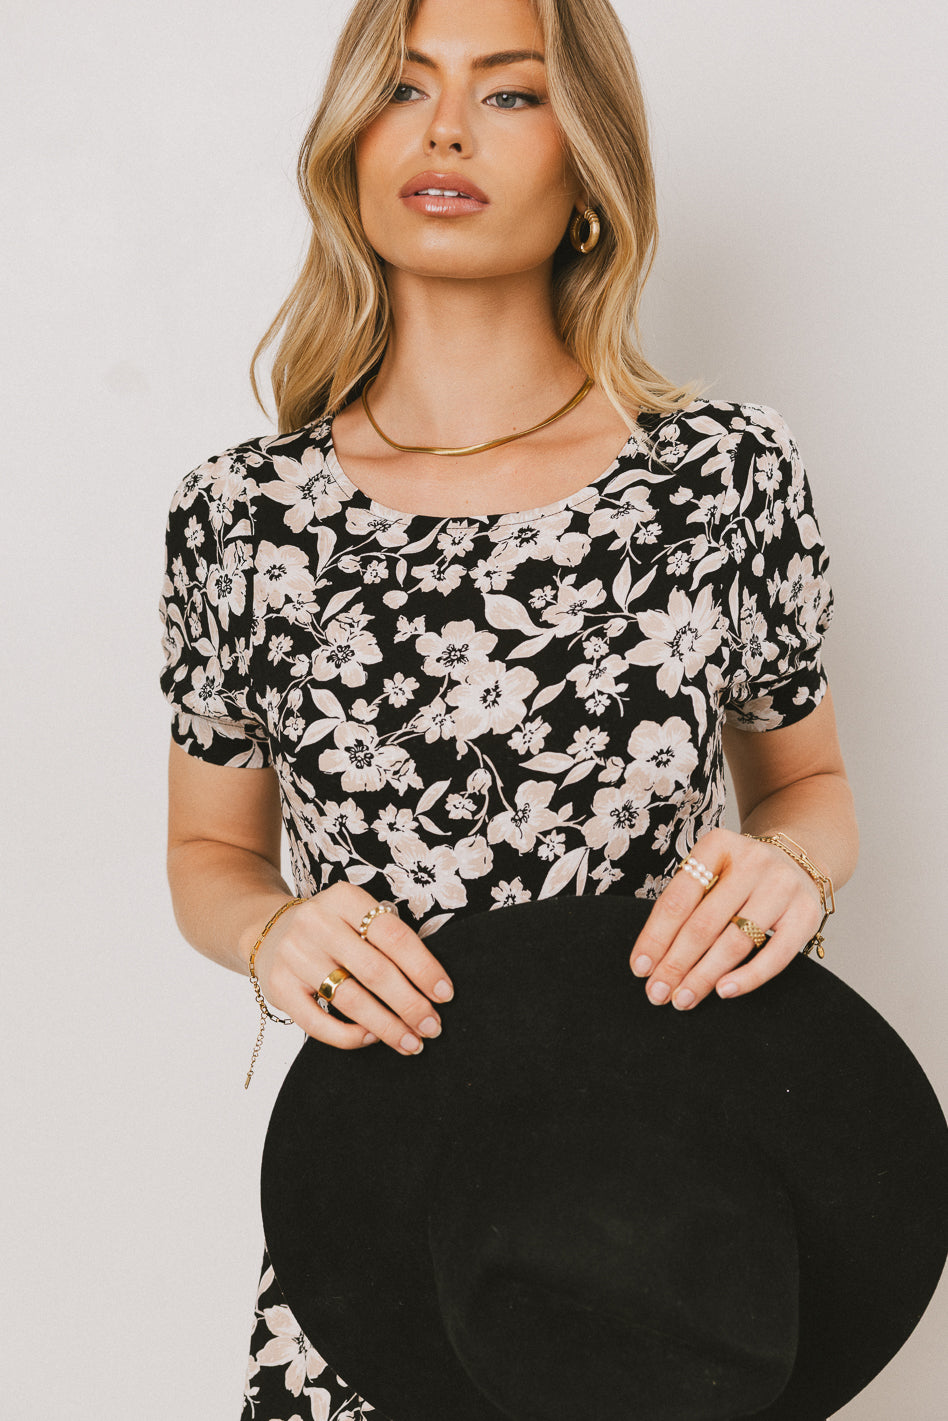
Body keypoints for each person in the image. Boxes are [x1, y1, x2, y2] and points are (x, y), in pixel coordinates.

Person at [159, 0, 858, 1416]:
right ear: (350, 146)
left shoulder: (719, 478)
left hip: (660, 1212)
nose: (446, 130)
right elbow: (207, 852)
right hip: (380, 1210)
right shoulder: (242, 517)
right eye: (402, 86)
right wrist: (273, 931)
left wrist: (788, 864)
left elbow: (812, 785)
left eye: (511, 93)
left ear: (589, 163)